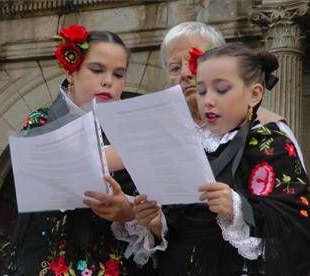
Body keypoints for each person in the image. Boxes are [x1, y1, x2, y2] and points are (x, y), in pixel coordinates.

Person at [84, 21, 305, 227]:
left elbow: (291, 216)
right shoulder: (157, 132)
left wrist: (238, 209)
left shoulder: (268, 129)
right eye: (174, 67)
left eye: (195, 61)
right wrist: (135, 213)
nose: (186, 73)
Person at [114, 43, 310, 275]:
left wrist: (237, 209)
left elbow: (296, 223)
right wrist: (157, 223)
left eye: (222, 89)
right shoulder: (185, 146)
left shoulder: (272, 143)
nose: (208, 100)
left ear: (254, 94)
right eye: (202, 90)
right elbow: (177, 222)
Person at [2, 25, 149, 275]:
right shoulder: (40, 122)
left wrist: (130, 212)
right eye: (97, 69)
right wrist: (125, 153)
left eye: (118, 74)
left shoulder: (131, 131)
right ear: (71, 71)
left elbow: (151, 204)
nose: (108, 81)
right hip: (42, 261)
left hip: (110, 262)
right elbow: (48, 173)